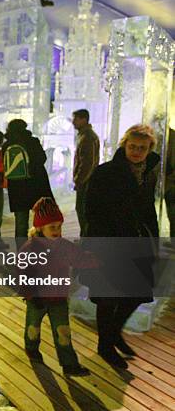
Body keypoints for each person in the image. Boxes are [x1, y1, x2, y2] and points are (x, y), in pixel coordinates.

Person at [83, 124, 160, 369]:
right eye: (132, 146)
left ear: (149, 150)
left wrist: (153, 240)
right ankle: (105, 346)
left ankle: (113, 333)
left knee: (137, 293)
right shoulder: (106, 172)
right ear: (124, 145)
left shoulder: (147, 172)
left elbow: (148, 210)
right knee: (108, 297)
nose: (137, 151)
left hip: (136, 243)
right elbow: (91, 210)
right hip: (109, 243)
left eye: (142, 148)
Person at [19, 197, 98, 377]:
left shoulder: (64, 246)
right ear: (39, 228)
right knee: (33, 328)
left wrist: (97, 259)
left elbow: (79, 258)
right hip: (37, 300)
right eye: (51, 227)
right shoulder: (30, 249)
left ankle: (69, 364)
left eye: (59, 226)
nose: (56, 231)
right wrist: (30, 294)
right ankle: (31, 348)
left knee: (63, 333)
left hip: (58, 299)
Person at [1, 119, 53, 242]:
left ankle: (22, 254)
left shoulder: (6, 145)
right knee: (41, 220)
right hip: (36, 184)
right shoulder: (33, 141)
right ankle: (41, 250)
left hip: (17, 187)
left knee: (21, 223)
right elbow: (42, 158)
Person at [72, 109, 100, 237]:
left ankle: (86, 239)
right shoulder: (85, 135)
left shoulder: (88, 137)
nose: (73, 122)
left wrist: (79, 180)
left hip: (86, 182)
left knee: (83, 210)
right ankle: (85, 237)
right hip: (86, 181)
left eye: (76, 119)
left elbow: (87, 163)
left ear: (84, 120)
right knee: (82, 210)